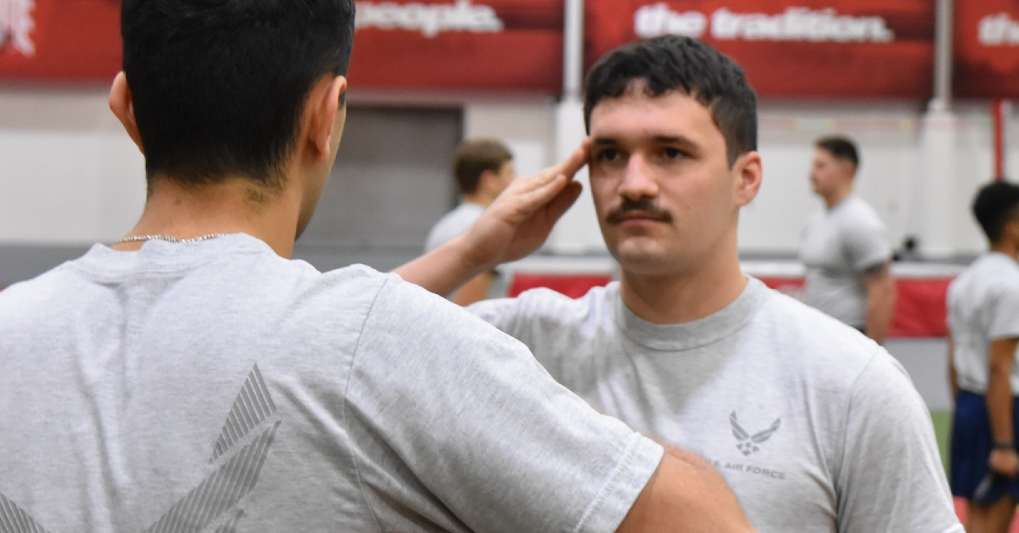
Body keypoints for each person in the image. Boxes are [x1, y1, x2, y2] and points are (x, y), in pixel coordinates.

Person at [0, 0, 756, 531]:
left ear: (128, 109)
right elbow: (702, 522)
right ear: (329, 116)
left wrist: (471, 254)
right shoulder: (383, 352)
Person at [397, 35, 962, 532]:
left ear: (746, 179)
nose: (633, 183)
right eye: (610, 155)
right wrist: (472, 250)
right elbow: (329, 351)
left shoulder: (852, 385)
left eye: (670, 153)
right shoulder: (525, 341)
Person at [947, 181, 1019, 533]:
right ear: (1012, 228)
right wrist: (1003, 442)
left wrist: (965, 410)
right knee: (995, 521)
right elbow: (999, 366)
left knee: (975, 518)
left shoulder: (964, 281)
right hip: (1003, 410)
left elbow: (953, 355)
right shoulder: (1014, 285)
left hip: (970, 406)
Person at [801, 134, 896, 342]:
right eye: (812, 166)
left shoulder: (860, 222)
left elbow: (882, 290)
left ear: (847, 170)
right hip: (818, 337)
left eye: (821, 166)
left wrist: (873, 355)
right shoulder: (816, 220)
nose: (811, 173)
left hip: (849, 338)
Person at [426, 138, 517, 305]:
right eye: (509, 173)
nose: (514, 181)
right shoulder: (486, 226)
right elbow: (470, 308)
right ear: (488, 180)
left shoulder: (443, 226)